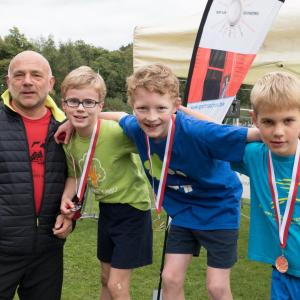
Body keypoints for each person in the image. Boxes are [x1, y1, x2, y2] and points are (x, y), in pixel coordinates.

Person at [92, 63, 260, 300]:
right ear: (133, 106)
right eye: (142, 108)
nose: (151, 117)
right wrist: (82, 119)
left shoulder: (198, 131)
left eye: (161, 108)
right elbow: (119, 117)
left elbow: (253, 133)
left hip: (218, 209)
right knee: (169, 279)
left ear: (175, 106)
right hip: (183, 211)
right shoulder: (135, 127)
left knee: (216, 287)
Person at [59, 66, 152, 300]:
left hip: (132, 210)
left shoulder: (114, 132)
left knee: (117, 285)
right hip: (107, 210)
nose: (80, 108)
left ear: (101, 106)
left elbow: (151, 135)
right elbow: (75, 174)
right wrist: (65, 199)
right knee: (105, 278)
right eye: (73, 101)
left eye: (89, 102)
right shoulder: (68, 141)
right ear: (63, 104)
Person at [0, 50, 73, 300]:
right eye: (19, 75)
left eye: (36, 75)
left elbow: (80, 177)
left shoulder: (68, 127)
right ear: (8, 82)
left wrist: (73, 215)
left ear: (51, 83)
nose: (28, 81)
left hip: (48, 250)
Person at [231, 71, 300, 299]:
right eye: (268, 122)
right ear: (255, 120)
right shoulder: (254, 156)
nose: (278, 132)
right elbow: (210, 134)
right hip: (283, 273)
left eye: (288, 121)